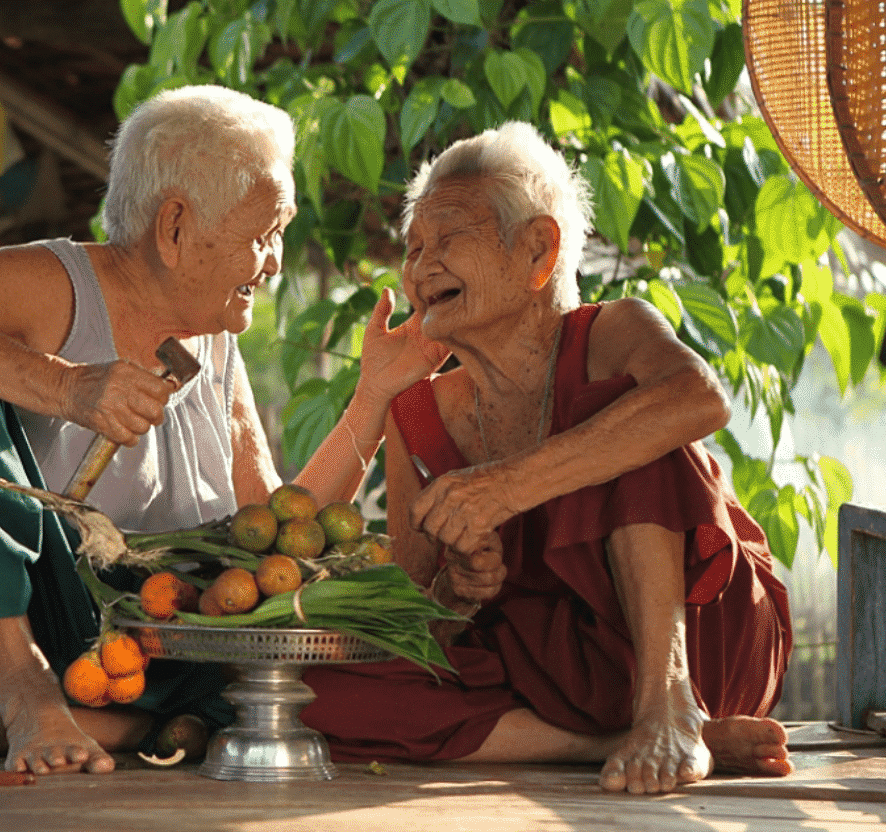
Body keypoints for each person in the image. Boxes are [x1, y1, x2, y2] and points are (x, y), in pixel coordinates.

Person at [0, 84, 438, 775]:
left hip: (123, 653)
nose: (273, 261)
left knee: (281, 655)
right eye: (264, 234)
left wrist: (375, 395)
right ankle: (22, 691)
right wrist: (65, 385)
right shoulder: (54, 286)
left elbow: (272, 530)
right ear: (175, 227)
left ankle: (6, 724)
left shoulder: (214, 344)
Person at [300, 121, 795, 795]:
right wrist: (458, 589)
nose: (420, 268)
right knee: (313, 691)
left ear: (537, 249)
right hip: (557, 680)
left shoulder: (614, 330)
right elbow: (417, 620)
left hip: (703, 642)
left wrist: (504, 489)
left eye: (448, 240)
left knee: (626, 424)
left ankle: (668, 708)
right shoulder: (416, 413)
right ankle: (608, 744)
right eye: (413, 248)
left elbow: (697, 400)